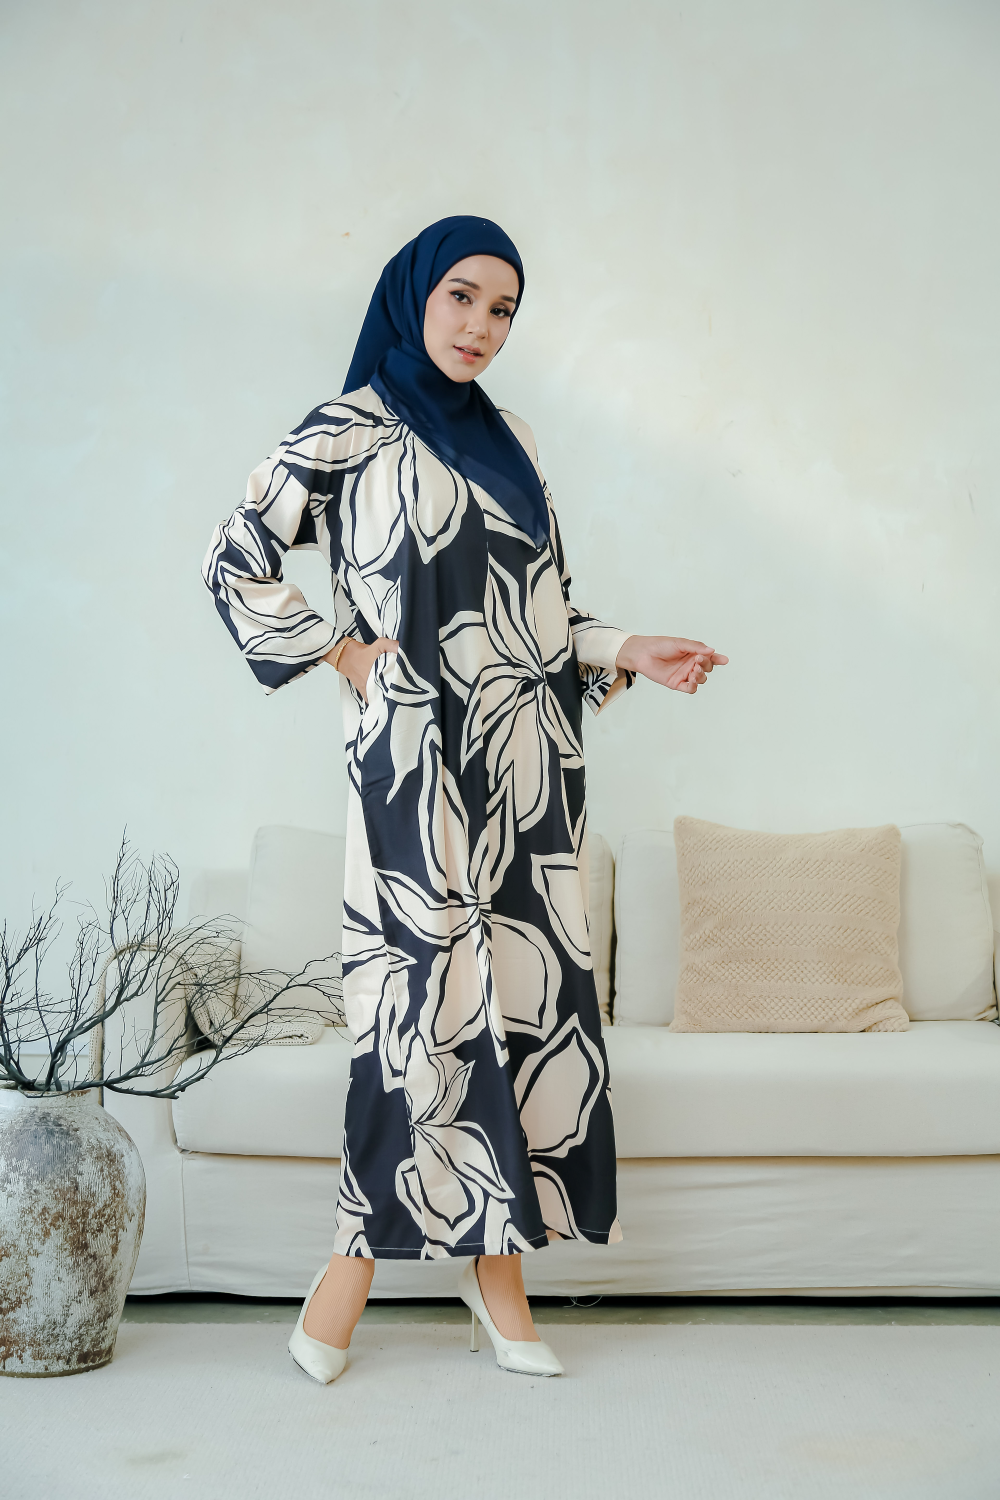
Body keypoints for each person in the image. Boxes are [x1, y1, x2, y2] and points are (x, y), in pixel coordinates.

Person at [203, 216, 727, 1383]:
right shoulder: (346, 429)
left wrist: (630, 649)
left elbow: (543, 611)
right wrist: (340, 651)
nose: (481, 326)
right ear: (413, 296)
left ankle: (496, 1282)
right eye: (461, 297)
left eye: (503, 310)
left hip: (526, 768)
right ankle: (350, 1278)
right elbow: (234, 554)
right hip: (409, 761)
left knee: (524, 1010)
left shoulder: (515, 441)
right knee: (417, 1008)